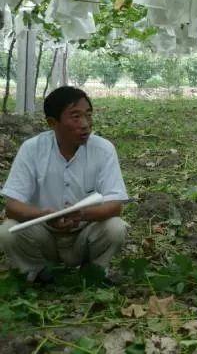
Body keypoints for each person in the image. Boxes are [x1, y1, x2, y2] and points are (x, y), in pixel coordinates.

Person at [0, 86, 129, 283]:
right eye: (75, 117)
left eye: (88, 115)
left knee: (115, 228)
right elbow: (12, 206)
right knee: (8, 231)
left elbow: (115, 205)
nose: (85, 124)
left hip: (85, 234)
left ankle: (93, 270)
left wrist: (83, 214)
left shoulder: (103, 149)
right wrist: (43, 215)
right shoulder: (32, 149)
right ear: (53, 122)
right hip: (44, 235)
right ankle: (37, 271)